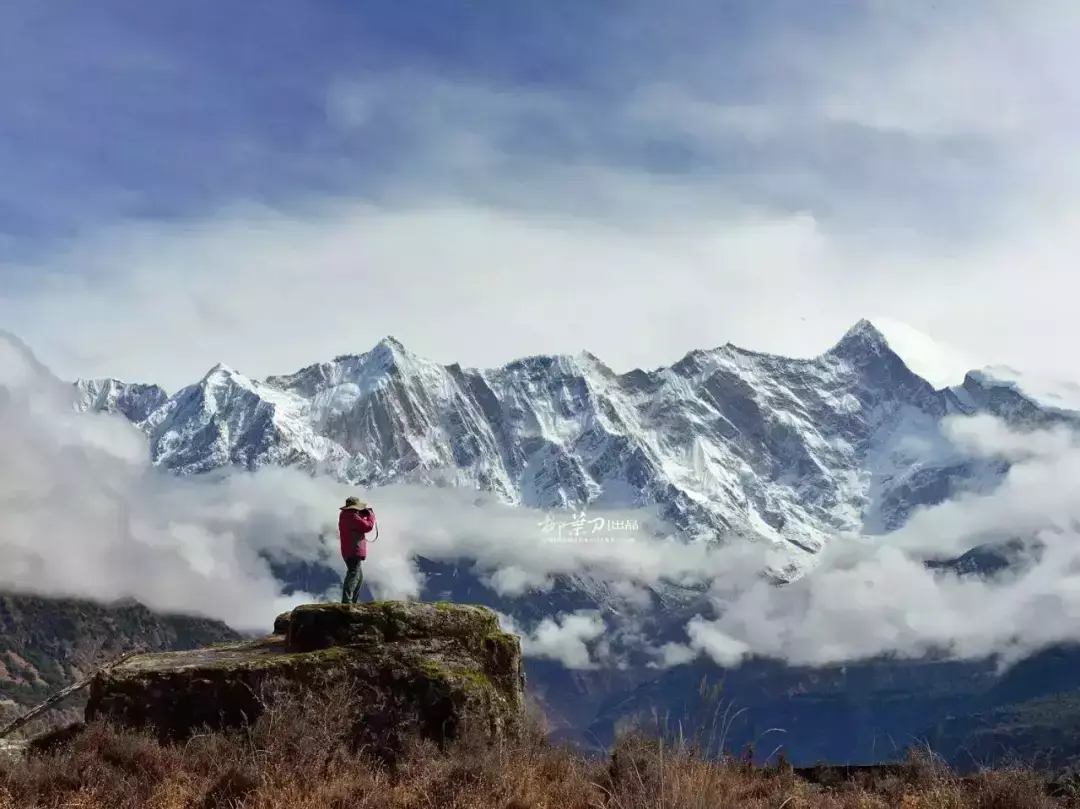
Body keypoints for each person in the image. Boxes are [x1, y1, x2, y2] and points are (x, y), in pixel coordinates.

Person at [338, 496, 376, 604]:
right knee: (354, 574)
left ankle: (352, 601)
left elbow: (357, 521)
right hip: (354, 550)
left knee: (358, 576)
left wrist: (363, 514)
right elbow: (367, 526)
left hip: (348, 550)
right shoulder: (352, 517)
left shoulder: (345, 515)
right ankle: (347, 601)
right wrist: (371, 515)